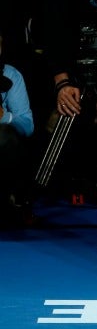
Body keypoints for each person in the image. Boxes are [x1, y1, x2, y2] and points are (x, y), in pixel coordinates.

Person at [0, 33, 34, 225]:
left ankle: (10, 200)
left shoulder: (11, 75)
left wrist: (3, 116)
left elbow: (27, 127)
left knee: (5, 135)